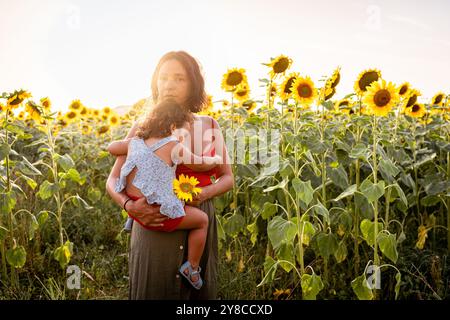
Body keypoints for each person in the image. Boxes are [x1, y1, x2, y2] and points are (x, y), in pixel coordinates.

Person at [105, 51, 234, 299]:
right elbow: (113, 180)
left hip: (198, 216)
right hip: (153, 221)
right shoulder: (143, 126)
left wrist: (203, 194)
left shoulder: (209, 126)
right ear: (155, 82)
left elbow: (228, 178)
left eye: (179, 78)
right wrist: (129, 206)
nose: (169, 85)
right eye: (163, 78)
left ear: (193, 84)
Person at [108, 99, 222, 290]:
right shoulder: (173, 146)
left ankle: (129, 220)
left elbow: (112, 147)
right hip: (158, 212)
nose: (184, 138)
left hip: (136, 208)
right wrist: (216, 159)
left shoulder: (135, 142)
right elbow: (199, 164)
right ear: (172, 127)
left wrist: (126, 144)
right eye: (184, 133)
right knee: (201, 220)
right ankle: (192, 267)